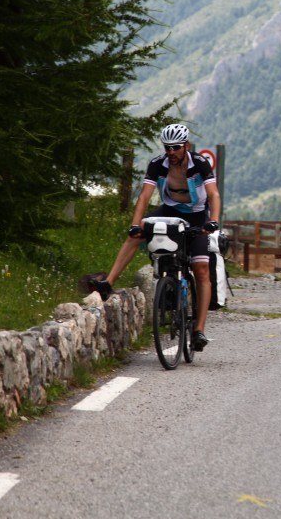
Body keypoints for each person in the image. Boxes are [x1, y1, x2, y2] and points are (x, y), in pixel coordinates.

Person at [90, 123, 221, 350]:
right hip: (169, 210)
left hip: (197, 215)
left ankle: (199, 330)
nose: (171, 152)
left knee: (201, 270)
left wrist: (213, 221)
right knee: (136, 235)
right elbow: (144, 197)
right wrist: (134, 225)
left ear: (186, 146)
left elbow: (214, 194)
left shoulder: (199, 163)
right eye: (167, 147)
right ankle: (108, 283)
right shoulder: (158, 165)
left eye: (176, 147)